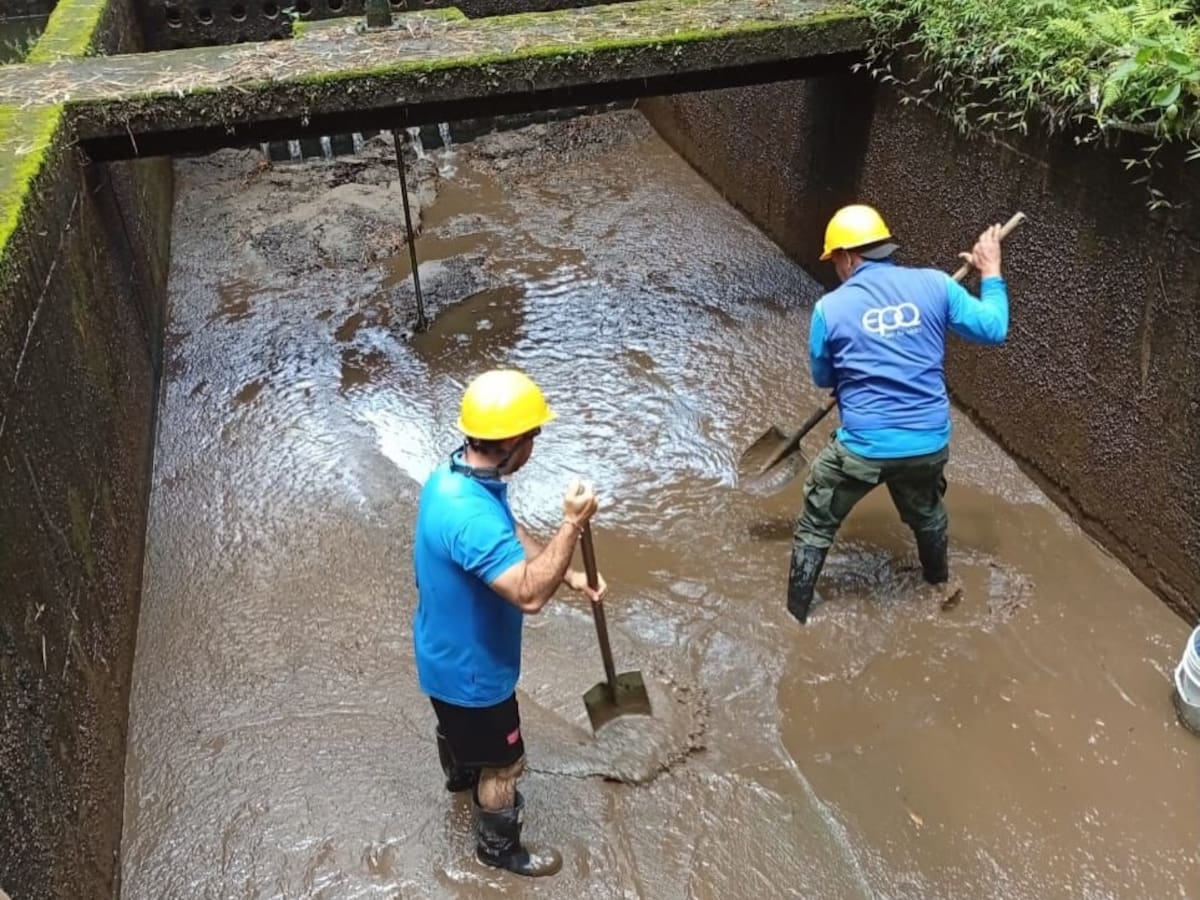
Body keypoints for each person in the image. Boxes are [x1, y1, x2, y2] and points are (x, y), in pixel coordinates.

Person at [412, 368, 608, 877]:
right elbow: (528, 594)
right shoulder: (469, 516)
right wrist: (571, 525)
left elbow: (507, 531)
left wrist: (569, 573)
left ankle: (461, 777)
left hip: (441, 652)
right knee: (505, 764)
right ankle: (497, 850)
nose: (535, 445)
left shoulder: (455, 477)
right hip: (475, 674)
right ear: (512, 441)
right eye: (534, 435)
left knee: (459, 732)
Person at [787, 204, 1009, 623]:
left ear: (847, 256)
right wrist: (991, 272)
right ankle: (938, 581)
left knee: (816, 520)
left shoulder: (829, 310)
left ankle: (795, 614)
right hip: (928, 444)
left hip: (863, 448)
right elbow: (994, 327)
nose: (836, 269)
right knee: (927, 512)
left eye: (835, 260)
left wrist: (850, 370)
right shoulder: (937, 285)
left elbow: (823, 377)